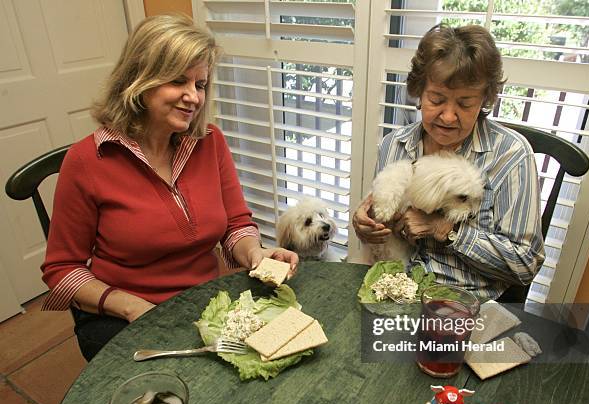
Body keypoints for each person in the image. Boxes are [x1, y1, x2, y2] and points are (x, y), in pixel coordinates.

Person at [41, 15, 298, 361]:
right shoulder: (87, 161)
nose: (193, 97)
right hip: (123, 315)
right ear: (139, 80)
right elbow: (62, 271)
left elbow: (236, 225)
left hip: (205, 304)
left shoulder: (210, 142)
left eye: (201, 84)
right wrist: (132, 307)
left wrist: (256, 254)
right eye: (178, 81)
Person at [353, 24, 545, 300]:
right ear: (419, 92)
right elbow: (381, 223)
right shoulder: (394, 145)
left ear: (484, 100)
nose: (448, 116)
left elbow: (525, 264)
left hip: (461, 303)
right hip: (391, 287)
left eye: (465, 104)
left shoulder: (510, 156)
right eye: (437, 99)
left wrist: (447, 230)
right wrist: (366, 226)